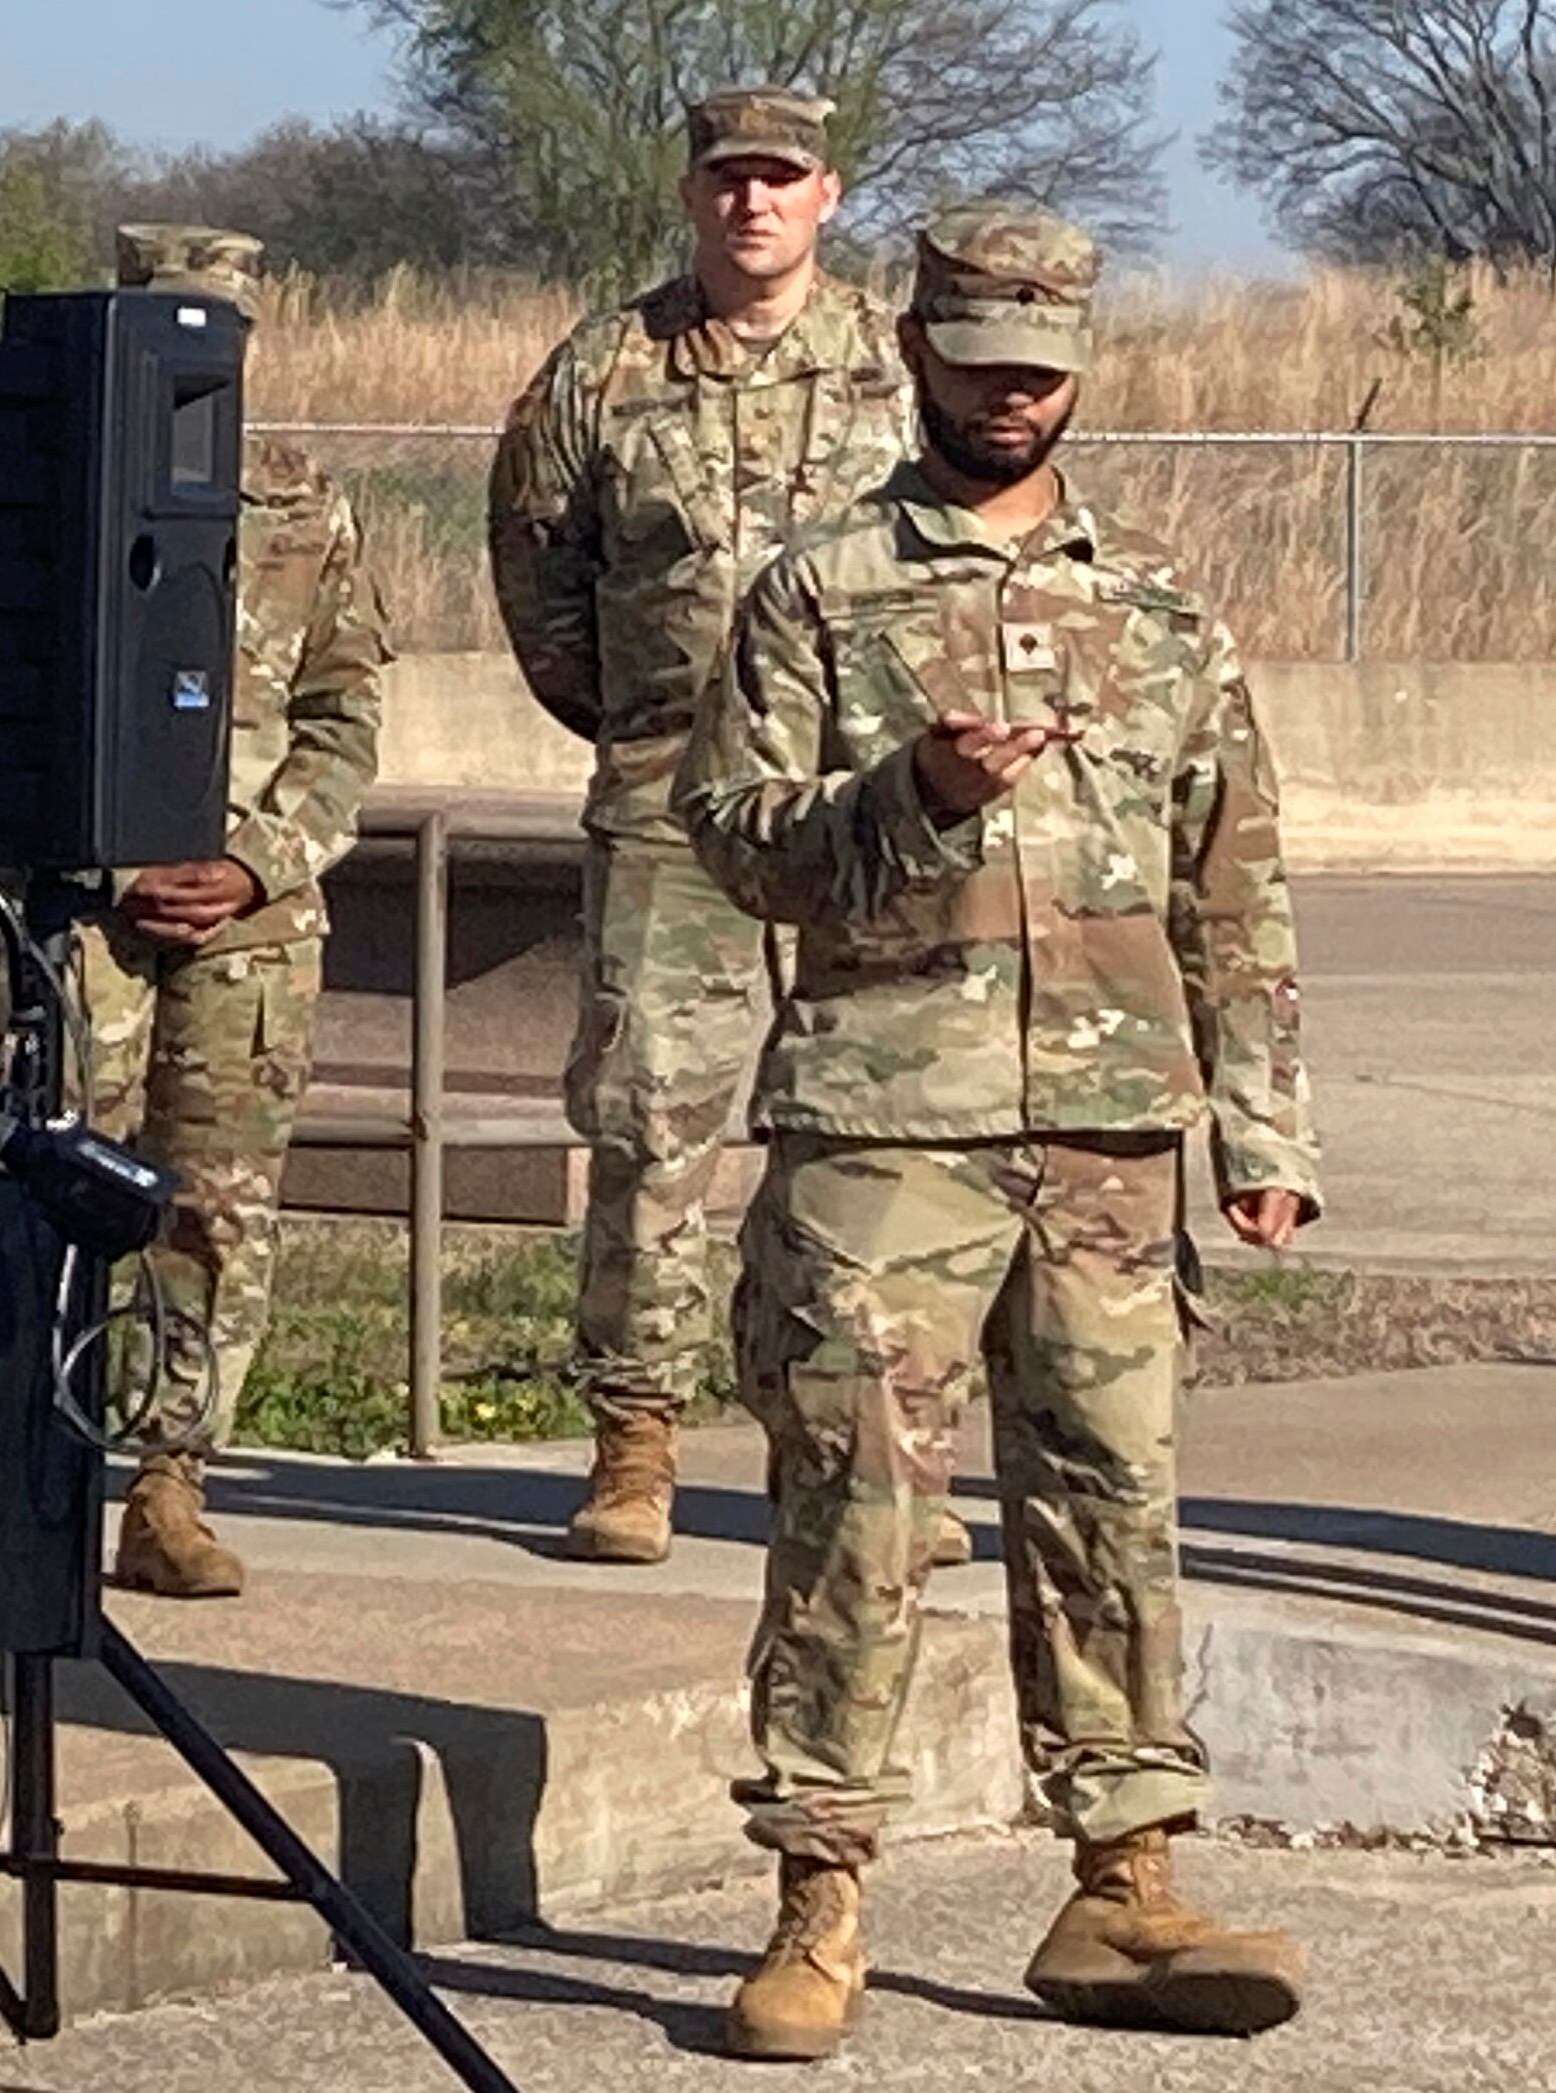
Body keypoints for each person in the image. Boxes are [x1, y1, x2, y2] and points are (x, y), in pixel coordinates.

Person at [680, 200, 1317, 2062]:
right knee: (856, 1507)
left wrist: (1255, 1126)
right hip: (889, 1120)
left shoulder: (1158, 613)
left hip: (1109, 1138)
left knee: (1114, 1497)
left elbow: (1236, 886)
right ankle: (818, 1894)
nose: (1009, 405)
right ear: (913, 356)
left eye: (1040, 376)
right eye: (978, 372)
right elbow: (732, 831)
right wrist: (905, 791)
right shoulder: (814, 589)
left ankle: (1120, 1883)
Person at [488, 87, 923, 1567]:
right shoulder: (604, 367)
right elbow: (538, 570)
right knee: (650, 1126)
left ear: (826, 195)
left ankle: (850, 1452)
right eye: (727, 180)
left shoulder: (891, 361)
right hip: (674, 799)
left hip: (860, 802)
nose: (752, 204)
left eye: (779, 180)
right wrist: (633, 718)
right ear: (689, 197)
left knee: (865, 1130)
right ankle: (634, 1442)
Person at [6, 227, 387, 1600]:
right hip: (82, 915)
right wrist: (104, 863)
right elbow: (4, 701)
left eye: (213, 329)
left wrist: (258, 858)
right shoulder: (51, 481)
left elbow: (345, 714)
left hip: (248, 922)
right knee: (44, 1190)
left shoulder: (301, 505)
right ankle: (24, 1475)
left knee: (212, 1211)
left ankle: (168, 1483)